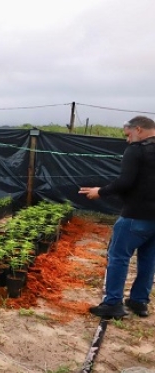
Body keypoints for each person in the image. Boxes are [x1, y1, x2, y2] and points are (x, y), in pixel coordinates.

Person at [79, 116, 155, 318]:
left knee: (119, 257)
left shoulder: (136, 150)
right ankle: (139, 302)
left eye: (128, 135)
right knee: (148, 259)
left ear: (138, 129)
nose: (127, 140)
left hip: (135, 216)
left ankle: (113, 303)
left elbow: (125, 182)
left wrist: (100, 191)